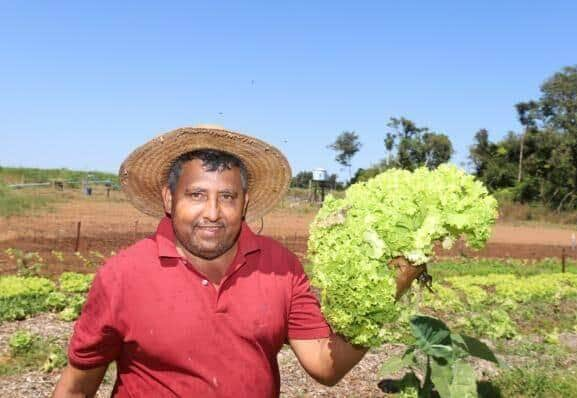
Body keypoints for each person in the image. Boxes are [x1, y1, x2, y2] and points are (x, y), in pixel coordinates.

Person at [52, 125, 424, 397]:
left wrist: (394, 283)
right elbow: (75, 390)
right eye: (196, 194)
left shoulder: (280, 266)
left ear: (244, 203)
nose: (212, 213)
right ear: (169, 199)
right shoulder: (123, 276)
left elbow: (327, 367)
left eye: (227, 197)